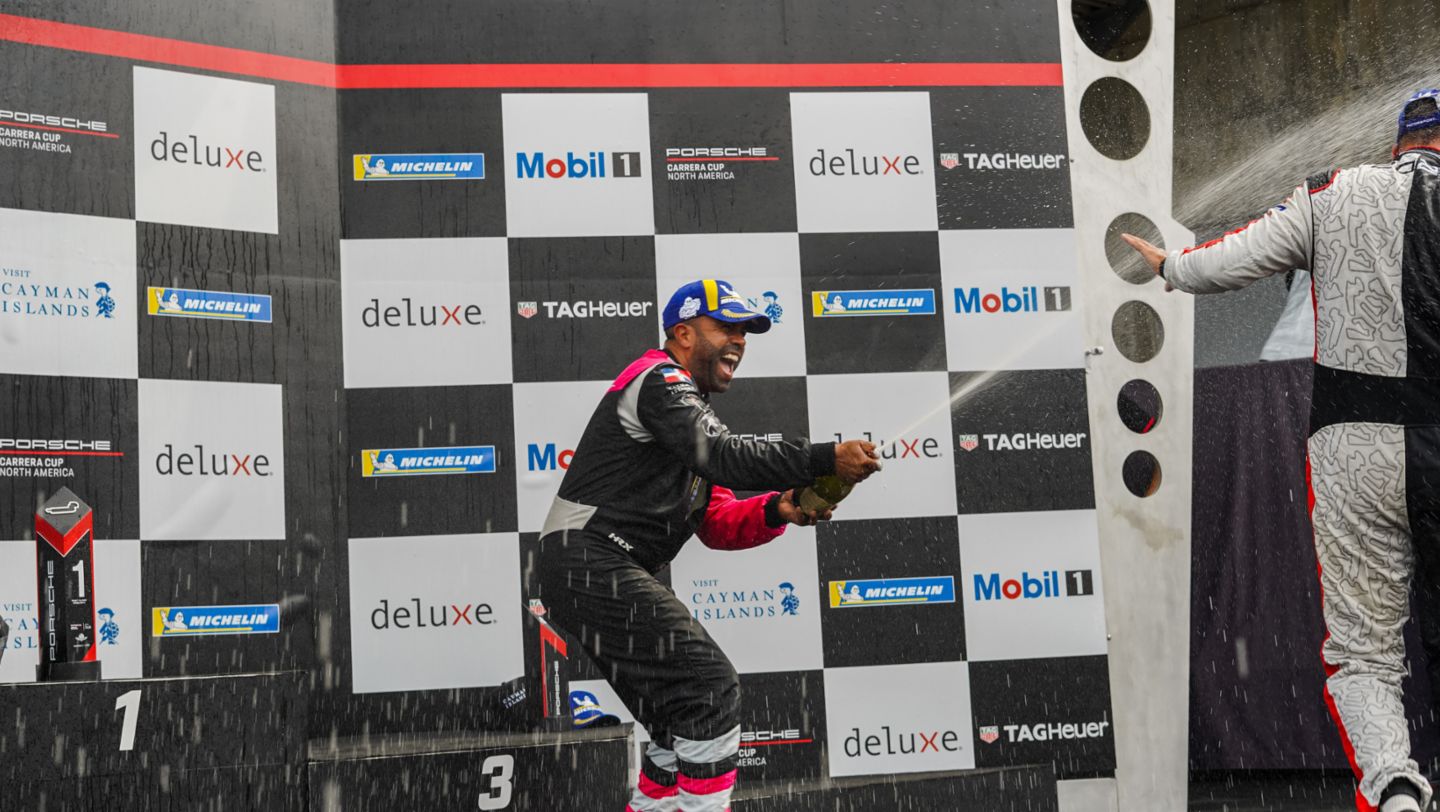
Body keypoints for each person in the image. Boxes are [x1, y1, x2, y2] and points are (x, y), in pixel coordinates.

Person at [1121, 89, 1440, 812]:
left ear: (1398, 143)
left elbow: (1227, 262)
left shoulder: (1334, 192)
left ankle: (1393, 789)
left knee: (1365, 654)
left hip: (1356, 447)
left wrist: (1170, 267)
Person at [534, 278, 880, 812]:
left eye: (745, 330)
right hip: (589, 557)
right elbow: (721, 454)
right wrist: (822, 457)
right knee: (710, 689)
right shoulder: (659, 378)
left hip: (590, 567)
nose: (739, 340)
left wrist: (779, 508)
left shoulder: (685, 417)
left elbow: (716, 521)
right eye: (726, 327)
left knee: (679, 722)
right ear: (683, 333)